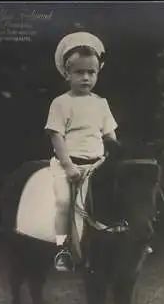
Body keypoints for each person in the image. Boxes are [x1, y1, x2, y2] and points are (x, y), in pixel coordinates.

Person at [45, 32, 119, 271]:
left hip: (97, 164)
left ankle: (123, 239)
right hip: (70, 165)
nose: (85, 78)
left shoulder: (101, 103)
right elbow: (56, 134)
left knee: (118, 195)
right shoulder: (61, 103)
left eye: (91, 72)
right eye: (79, 72)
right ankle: (62, 249)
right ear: (67, 74)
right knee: (64, 202)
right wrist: (68, 165)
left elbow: (110, 136)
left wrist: (115, 158)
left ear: (98, 73)